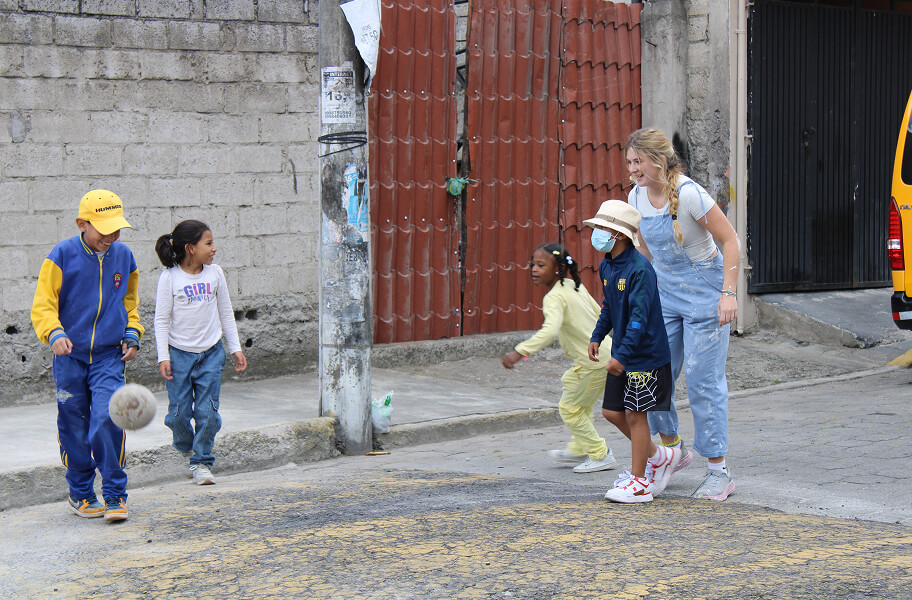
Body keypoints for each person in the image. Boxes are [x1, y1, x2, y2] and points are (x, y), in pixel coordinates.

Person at [625, 127, 739, 501]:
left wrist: (728, 294)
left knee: (703, 380)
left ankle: (719, 472)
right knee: (653, 372)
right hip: (665, 295)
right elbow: (646, 256)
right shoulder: (635, 197)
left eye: (638, 162)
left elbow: (730, 241)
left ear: (658, 161)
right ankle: (673, 451)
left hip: (707, 294)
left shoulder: (690, 195)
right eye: (629, 163)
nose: (632, 170)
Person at [30, 190, 143, 521]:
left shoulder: (124, 256)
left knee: (108, 417)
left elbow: (130, 303)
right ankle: (80, 492)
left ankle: (114, 494)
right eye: (103, 229)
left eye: (116, 228)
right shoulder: (61, 256)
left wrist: (132, 333)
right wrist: (54, 333)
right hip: (70, 357)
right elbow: (43, 304)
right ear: (82, 224)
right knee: (73, 424)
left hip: (109, 357)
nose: (111, 236)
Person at [585, 200, 681, 503]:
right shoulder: (606, 265)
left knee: (636, 415)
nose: (598, 233)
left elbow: (639, 319)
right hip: (623, 355)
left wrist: (622, 355)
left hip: (644, 357)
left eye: (603, 228)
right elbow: (609, 307)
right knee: (611, 412)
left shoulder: (641, 270)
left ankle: (640, 482)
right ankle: (659, 456)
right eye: (598, 227)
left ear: (621, 235)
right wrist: (597, 336)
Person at [501, 243, 616, 473]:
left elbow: (550, 331)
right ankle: (578, 450)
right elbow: (600, 313)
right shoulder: (575, 286)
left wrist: (520, 351)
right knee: (578, 403)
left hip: (593, 362)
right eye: (533, 264)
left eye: (541, 265)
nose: (534, 269)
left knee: (570, 408)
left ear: (558, 269)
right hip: (603, 355)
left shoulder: (554, 297)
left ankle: (600, 454)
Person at [154, 220, 247, 486]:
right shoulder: (170, 278)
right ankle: (185, 443)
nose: (214, 248)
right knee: (179, 414)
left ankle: (202, 462)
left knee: (208, 412)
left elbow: (226, 313)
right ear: (190, 248)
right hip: (179, 355)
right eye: (208, 243)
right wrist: (164, 356)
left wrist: (235, 348)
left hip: (211, 353)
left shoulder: (215, 273)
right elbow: (161, 320)